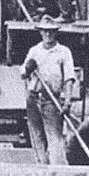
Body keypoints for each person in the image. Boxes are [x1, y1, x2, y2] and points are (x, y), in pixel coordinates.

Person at [21, 15, 76, 165]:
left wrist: (68, 101)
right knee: (37, 136)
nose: (48, 34)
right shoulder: (34, 51)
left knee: (54, 137)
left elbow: (69, 78)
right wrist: (28, 68)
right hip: (33, 97)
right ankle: (42, 169)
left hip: (51, 99)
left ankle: (56, 172)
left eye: (51, 31)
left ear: (56, 32)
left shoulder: (63, 52)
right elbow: (23, 74)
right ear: (40, 32)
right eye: (45, 31)